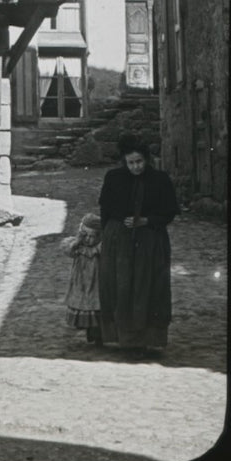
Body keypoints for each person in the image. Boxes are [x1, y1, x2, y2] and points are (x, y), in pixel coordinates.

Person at [98, 133, 178, 355]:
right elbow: (105, 211)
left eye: (139, 161)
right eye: (131, 162)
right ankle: (125, 339)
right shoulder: (113, 178)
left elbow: (169, 212)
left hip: (150, 242)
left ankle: (148, 339)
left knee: (149, 286)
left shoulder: (160, 179)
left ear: (147, 159)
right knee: (121, 286)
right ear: (124, 161)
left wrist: (146, 221)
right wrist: (108, 237)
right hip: (119, 242)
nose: (136, 167)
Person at [62, 211, 104, 345]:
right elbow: (69, 250)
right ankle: (89, 332)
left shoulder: (99, 248)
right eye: (85, 235)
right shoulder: (78, 246)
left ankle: (97, 335)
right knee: (84, 306)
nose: (88, 240)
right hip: (81, 282)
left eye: (92, 236)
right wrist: (77, 241)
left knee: (95, 306)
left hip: (95, 281)